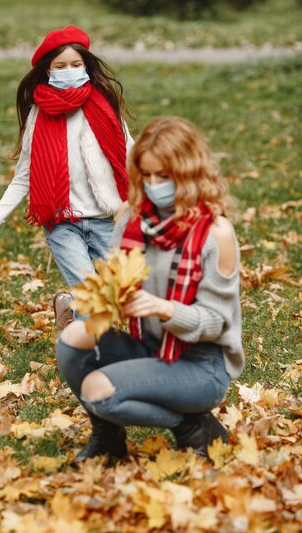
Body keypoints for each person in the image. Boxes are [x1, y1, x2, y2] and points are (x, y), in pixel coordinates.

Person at [56, 115, 244, 462]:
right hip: (149, 344)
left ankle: (191, 424)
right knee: (73, 339)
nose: (154, 184)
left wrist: (162, 308)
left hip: (200, 363)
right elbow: (115, 280)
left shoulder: (214, 233)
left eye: (165, 176)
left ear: (189, 173)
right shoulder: (132, 218)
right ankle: (108, 437)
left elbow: (217, 321)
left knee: (98, 392)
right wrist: (103, 298)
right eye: (147, 175)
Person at [0, 25, 134, 327]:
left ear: (86, 66)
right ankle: (89, 357)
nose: (69, 70)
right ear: (48, 71)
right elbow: (23, 177)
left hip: (104, 219)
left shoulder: (104, 107)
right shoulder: (38, 115)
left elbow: (132, 155)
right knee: (89, 295)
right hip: (62, 224)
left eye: (75, 64)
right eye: (60, 66)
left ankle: (64, 304)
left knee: (117, 293)